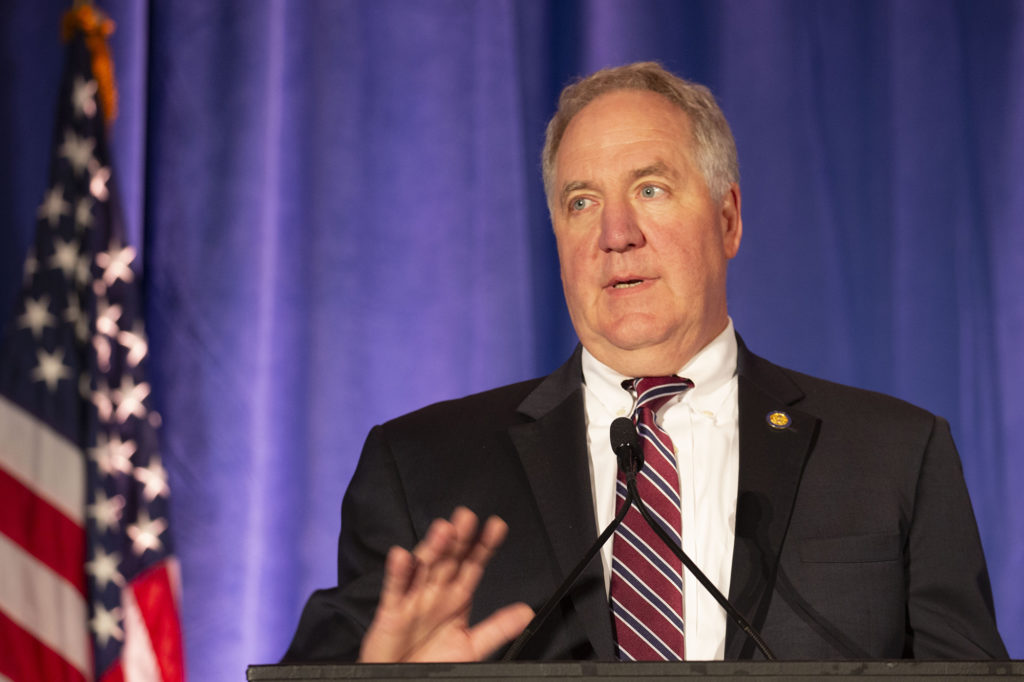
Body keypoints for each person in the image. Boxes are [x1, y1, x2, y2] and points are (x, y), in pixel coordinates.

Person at [283, 62, 1007, 663]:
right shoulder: (421, 469)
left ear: (727, 218)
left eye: (650, 189)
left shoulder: (893, 456)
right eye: (581, 201)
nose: (616, 234)